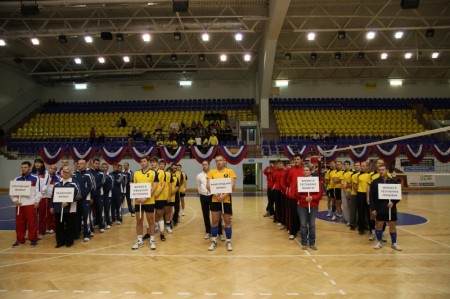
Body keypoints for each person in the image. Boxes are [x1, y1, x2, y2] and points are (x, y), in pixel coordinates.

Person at [206, 154, 236, 251]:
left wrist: (224, 196)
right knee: (214, 221)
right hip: (215, 199)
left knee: (227, 221)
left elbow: (232, 185)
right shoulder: (211, 173)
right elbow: (208, 186)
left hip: (226, 199)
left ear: (224, 161)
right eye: (217, 161)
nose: (219, 162)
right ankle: (213, 241)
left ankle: (228, 241)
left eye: (220, 160)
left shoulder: (230, 172)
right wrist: (216, 194)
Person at [370, 165, 402, 251]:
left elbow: (398, 196)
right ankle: (379, 242)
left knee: (392, 225)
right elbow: (371, 197)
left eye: (383, 170)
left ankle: (394, 243)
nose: (381, 171)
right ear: (377, 171)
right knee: (379, 225)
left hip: (391, 208)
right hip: (380, 208)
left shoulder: (393, 182)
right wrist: (373, 209)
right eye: (379, 170)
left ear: (387, 170)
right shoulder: (374, 182)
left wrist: (393, 202)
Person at [11, 161, 41, 247]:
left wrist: (37, 201)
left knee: (32, 223)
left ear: (30, 168)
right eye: (22, 167)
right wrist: (15, 200)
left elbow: (38, 191)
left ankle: (33, 239)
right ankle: (20, 240)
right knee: (19, 224)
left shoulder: (35, 178)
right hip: (20, 205)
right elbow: (13, 193)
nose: (23, 169)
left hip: (30, 204)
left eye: (25, 167)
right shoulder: (17, 179)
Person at [131, 156, 158, 250]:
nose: (142, 162)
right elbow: (133, 186)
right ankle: (139, 241)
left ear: (148, 162)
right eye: (141, 161)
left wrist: (146, 197)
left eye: (144, 161)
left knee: (151, 221)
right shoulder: (136, 173)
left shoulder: (153, 173)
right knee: (139, 221)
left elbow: (154, 186)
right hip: (138, 201)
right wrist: (137, 197)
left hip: (149, 201)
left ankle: (152, 240)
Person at [50, 166, 80, 248]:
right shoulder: (57, 184)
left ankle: (69, 241)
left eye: (67, 172)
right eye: (64, 172)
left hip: (70, 209)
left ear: (70, 173)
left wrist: (68, 202)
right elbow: (53, 196)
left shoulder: (74, 183)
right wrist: (51, 206)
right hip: (58, 209)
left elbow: (78, 196)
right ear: (61, 173)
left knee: (69, 226)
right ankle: (60, 242)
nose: (65, 173)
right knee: (59, 226)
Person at [297, 165, 322, 250]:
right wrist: (305, 198)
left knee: (312, 225)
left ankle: (312, 242)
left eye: (307, 170)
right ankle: (304, 242)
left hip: (313, 205)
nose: (305, 172)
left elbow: (319, 194)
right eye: (304, 170)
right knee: (303, 224)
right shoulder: (300, 181)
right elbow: (296, 193)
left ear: (311, 171)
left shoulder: (316, 181)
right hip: (302, 205)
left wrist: (312, 198)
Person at [72, 159, 93, 242]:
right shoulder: (74, 174)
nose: (79, 165)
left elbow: (90, 186)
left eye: (81, 164)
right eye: (78, 163)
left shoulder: (88, 174)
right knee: (76, 217)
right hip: (75, 199)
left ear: (85, 165)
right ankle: (77, 233)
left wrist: (82, 195)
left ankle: (87, 234)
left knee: (86, 217)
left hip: (85, 199)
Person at [40, 164, 60, 236]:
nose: (52, 169)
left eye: (54, 169)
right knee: (42, 213)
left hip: (51, 198)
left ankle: (51, 227)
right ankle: (42, 228)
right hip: (43, 197)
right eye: (51, 168)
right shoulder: (43, 176)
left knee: (51, 213)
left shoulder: (57, 178)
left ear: (55, 170)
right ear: (49, 168)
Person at [197, 160, 213, 239]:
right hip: (203, 196)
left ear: (209, 165)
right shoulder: (199, 175)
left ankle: (220, 232)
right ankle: (208, 231)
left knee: (216, 215)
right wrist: (202, 193)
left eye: (206, 164)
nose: (204, 166)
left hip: (213, 196)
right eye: (203, 165)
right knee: (205, 215)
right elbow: (199, 186)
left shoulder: (214, 173)